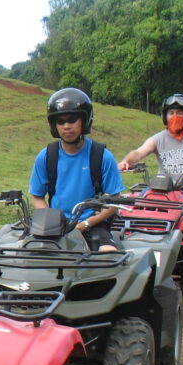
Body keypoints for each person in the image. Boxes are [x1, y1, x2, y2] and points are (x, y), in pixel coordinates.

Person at [28, 88, 126, 252]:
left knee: (108, 254)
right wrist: (51, 222)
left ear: (85, 120)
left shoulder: (102, 156)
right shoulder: (46, 156)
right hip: (55, 226)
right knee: (23, 251)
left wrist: (86, 224)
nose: (66, 126)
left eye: (72, 120)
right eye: (60, 121)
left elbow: (114, 202)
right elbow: (37, 195)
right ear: (54, 125)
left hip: (92, 223)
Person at [117, 93, 183, 201]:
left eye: (179, 113)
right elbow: (139, 152)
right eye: (171, 113)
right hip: (162, 187)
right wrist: (126, 161)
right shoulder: (158, 139)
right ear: (165, 116)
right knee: (139, 205)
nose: (175, 116)